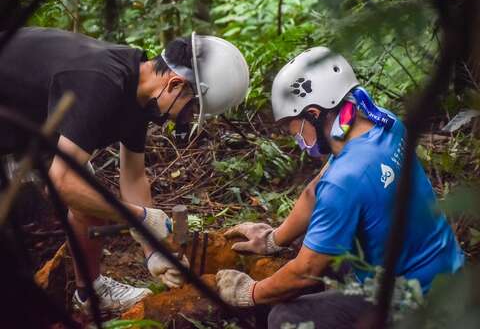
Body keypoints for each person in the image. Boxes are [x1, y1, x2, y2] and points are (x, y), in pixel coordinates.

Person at [0, 27, 249, 314]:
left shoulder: (138, 92)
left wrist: (154, 250)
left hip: (32, 128)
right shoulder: (100, 82)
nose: (181, 120)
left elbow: (134, 177)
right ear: (175, 84)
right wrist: (140, 217)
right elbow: (60, 184)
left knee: (90, 198)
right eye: (188, 111)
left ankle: (89, 292)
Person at [215, 47, 464, 328]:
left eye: (292, 127)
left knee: (284, 318)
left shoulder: (345, 181)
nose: (294, 136)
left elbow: (305, 272)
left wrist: (249, 293)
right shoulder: (381, 122)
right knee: (311, 242)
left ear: (313, 114)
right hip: (444, 269)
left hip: (415, 303)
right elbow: (315, 191)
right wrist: (273, 239)